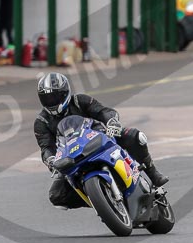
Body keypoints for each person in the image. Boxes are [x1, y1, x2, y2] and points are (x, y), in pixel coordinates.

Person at [34, 72, 168, 209]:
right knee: (57, 196)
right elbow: (46, 147)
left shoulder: (80, 101)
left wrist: (112, 122)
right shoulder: (42, 122)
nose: (51, 101)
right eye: (46, 98)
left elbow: (103, 111)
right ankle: (102, 200)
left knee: (135, 136)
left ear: (64, 93)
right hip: (71, 156)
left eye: (54, 97)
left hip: (99, 138)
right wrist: (50, 160)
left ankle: (153, 173)